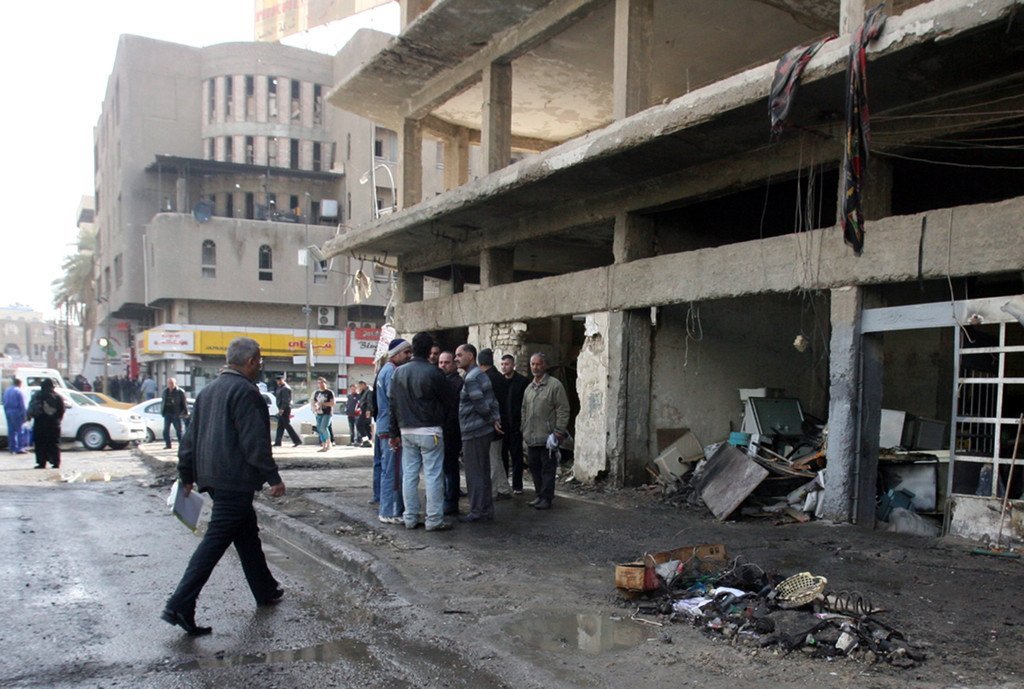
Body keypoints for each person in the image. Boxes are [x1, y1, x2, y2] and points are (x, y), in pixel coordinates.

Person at [161, 337, 286, 636]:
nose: (260, 366)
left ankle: (265, 588)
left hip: (213, 477)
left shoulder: (208, 391)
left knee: (246, 534)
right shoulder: (247, 392)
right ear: (252, 361)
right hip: (235, 479)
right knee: (215, 541)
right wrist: (273, 477)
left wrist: (186, 473)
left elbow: (189, 439)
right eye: (259, 361)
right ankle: (179, 604)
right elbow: (255, 441)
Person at [389, 332, 451, 531]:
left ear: (413, 349)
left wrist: (393, 432)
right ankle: (434, 519)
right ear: (429, 350)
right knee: (433, 475)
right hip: (430, 429)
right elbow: (448, 401)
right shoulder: (435, 373)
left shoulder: (398, 372)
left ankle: (410, 517)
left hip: (406, 430)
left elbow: (393, 404)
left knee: (409, 475)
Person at [455, 344, 501, 523]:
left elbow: (480, 404)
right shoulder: (480, 375)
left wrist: (490, 419)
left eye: (460, 355)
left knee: (474, 473)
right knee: (482, 471)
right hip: (482, 431)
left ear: (470, 356)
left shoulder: (471, 378)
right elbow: (493, 400)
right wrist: (495, 419)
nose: (457, 358)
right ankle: (485, 509)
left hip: (474, 431)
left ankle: (477, 510)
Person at [521, 352, 570, 510]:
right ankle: (539, 495)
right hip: (531, 437)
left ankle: (546, 498)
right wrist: (524, 429)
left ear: (545, 365)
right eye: (533, 364)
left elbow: (563, 409)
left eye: (538, 364)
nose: (535, 367)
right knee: (534, 468)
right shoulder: (529, 388)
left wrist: (558, 431)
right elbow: (524, 410)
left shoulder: (554, 386)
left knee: (548, 469)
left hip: (548, 437)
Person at [376, 339, 412, 524]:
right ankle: (389, 511)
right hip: (390, 430)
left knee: (390, 470)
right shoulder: (391, 372)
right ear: (396, 354)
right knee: (393, 471)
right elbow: (394, 403)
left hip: (386, 427)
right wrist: (394, 432)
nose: (409, 356)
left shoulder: (386, 370)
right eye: (406, 352)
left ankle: (392, 509)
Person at [478, 349, 512, 500]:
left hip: (492, 423)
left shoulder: (486, 379)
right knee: (496, 457)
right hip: (501, 421)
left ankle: (492, 491)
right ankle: (504, 488)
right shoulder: (500, 377)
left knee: (492, 459)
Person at [501, 354, 530, 494]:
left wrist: (523, 423)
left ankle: (517, 486)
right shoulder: (500, 381)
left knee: (517, 457)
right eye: (502, 364)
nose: (504, 367)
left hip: (516, 425)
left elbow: (526, 403)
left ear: (513, 365)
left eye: (506, 364)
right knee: (502, 457)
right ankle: (503, 485)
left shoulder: (522, 382)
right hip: (502, 426)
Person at [438, 351, 463, 516]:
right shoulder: (442, 381)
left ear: (454, 364)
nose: (443, 365)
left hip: (452, 432)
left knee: (450, 468)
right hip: (441, 431)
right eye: (441, 362)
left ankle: (451, 501)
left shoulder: (457, 383)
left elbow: (454, 410)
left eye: (446, 362)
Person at [27, 379, 65, 469]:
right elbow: (62, 410)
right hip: (54, 424)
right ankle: (56, 462)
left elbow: (32, 409)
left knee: (40, 444)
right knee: (54, 444)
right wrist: (57, 419)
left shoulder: (37, 395)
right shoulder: (58, 397)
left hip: (40, 424)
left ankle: (41, 463)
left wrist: (29, 416)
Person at [273, 376, 302, 447]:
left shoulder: (285, 388)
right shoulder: (280, 388)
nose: (278, 382)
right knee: (280, 426)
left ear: (283, 380)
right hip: (282, 408)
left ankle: (297, 440)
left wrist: (282, 409)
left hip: (285, 409)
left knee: (287, 425)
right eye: (277, 380)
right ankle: (278, 442)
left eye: (280, 380)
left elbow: (285, 400)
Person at [161, 378, 189, 449]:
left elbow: (184, 403)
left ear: (175, 383)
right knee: (165, 431)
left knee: (179, 431)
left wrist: (185, 412)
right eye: (169, 383)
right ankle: (168, 445)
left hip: (177, 413)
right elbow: (163, 402)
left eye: (172, 383)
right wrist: (162, 411)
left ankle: (181, 446)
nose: (170, 385)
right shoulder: (165, 391)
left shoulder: (180, 391)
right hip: (167, 413)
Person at [3, 378, 28, 454]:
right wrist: (24, 415)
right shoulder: (19, 391)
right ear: (19, 384)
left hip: (8, 411)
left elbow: (4, 403)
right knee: (20, 430)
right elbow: (22, 404)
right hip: (17, 412)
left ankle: (12, 448)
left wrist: (6, 413)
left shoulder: (7, 391)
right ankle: (19, 448)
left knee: (11, 431)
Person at [312, 378, 334, 452]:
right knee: (319, 429)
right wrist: (315, 406)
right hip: (319, 412)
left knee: (323, 427)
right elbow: (315, 402)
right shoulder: (317, 392)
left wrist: (323, 403)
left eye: (322, 382)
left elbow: (332, 403)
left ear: (325, 383)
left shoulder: (329, 392)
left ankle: (329, 443)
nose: (320, 384)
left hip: (327, 413)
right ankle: (323, 445)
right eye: (319, 383)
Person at [356, 380, 373, 448]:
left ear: (364, 385)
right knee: (366, 426)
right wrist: (360, 392)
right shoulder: (364, 391)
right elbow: (360, 399)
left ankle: (366, 440)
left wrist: (368, 410)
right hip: (363, 409)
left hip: (366, 410)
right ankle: (367, 441)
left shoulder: (369, 391)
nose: (359, 387)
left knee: (359, 425)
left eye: (360, 386)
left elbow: (369, 401)